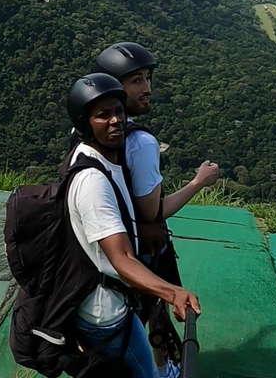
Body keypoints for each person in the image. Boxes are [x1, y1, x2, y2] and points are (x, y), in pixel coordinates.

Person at [95, 43, 219, 377]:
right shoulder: (141, 143)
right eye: (135, 81)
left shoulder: (87, 130)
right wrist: (198, 182)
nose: (147, 88)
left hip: (97, 246)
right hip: (132, 252)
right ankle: (161, 371)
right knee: (149, 314)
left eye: (147, 78)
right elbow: (154, 213)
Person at [66, 73, 201, 378]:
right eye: (103, 115)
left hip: (110, 302)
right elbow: (121, 258)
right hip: (106, 314)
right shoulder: (92, 181)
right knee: (148, 375)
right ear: (85, 123)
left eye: (118, 112)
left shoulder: (102, 160)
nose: (115, 121)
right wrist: (171, 292)